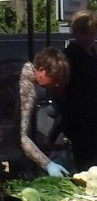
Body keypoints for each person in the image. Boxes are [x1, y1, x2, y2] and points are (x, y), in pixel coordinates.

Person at [62, 11, 97, 171]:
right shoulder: (71, 56)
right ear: (75, 32)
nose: (88, 37)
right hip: (82, 124)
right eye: (84, 33)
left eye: (92, 33)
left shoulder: (92, 52)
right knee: (88, 166)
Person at [17, 48, 70, 177]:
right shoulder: (26, 87)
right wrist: (47, 164)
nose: (56, 85)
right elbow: (21, 136)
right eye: (55, 79)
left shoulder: (18, 66)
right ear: (42, 70)